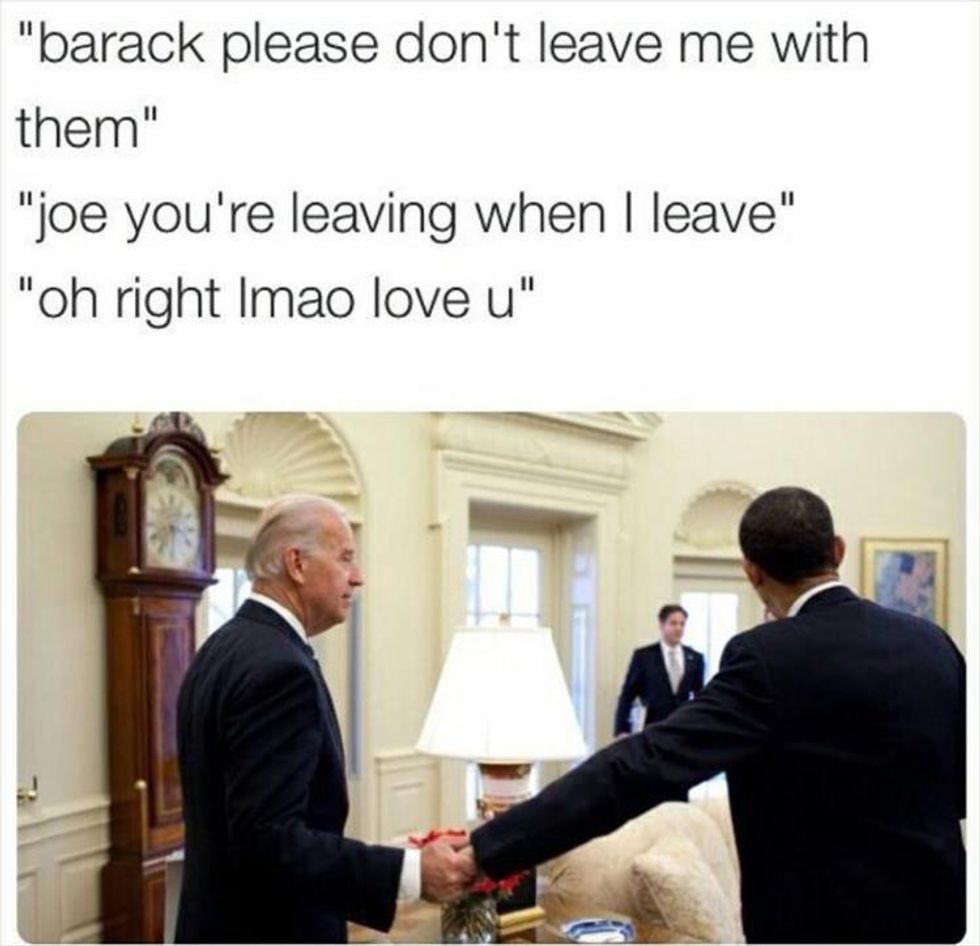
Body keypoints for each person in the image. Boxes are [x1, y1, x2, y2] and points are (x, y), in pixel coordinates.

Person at [465, 487, 966, 943]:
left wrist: (490, 849)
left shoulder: (765, 658)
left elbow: (639, 766)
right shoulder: (933, 644)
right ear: (838, 551)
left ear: (751, 571)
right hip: (946, 915)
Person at [176, 495, 474, 943]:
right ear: (296, 564)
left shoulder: (221, 648)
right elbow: (269, 842)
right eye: (346, 557)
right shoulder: (280, 669)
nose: (358, 576)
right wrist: (410, 872)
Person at [613, 604, 705, 736]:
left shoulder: (695, 658)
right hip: (652, 728)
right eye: (673, 623)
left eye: (682, 624)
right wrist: (622, 729)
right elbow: (627, 694)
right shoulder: (644, 656)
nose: (678, 628)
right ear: (662, 625)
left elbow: (700, 696)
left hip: (683, 728)